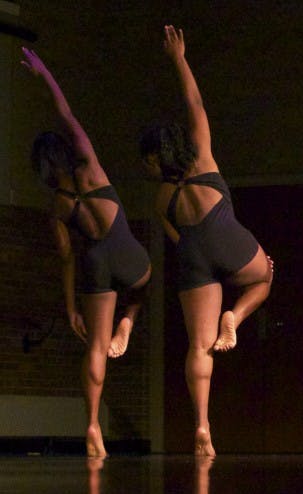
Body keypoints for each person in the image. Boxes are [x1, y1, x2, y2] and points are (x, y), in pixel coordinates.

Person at [140, 25, 274, 456]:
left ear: (156, 158)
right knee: (264, 276)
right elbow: (194, 101)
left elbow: (172, 233)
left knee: (198, 346)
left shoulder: (162, 195)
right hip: (225, 234)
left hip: (193, 253)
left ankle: (202, 426)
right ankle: (235, 315)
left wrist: (191, 246)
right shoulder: (202, 156)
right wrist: (178, 58)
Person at [23, 48, 152, 459]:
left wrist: (70, 308)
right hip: (126, 252)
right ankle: (128, 324)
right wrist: (45, 73)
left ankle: (92, 425)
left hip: (95, 264)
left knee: (95, 347)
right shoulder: (90, 166)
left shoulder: (58, 207)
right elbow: (66, 112)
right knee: (142, 286)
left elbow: (66, 260)